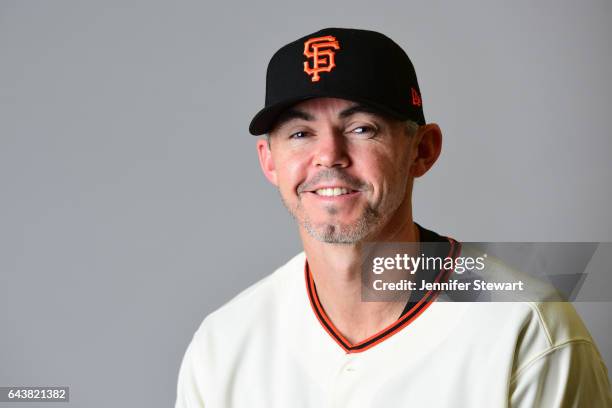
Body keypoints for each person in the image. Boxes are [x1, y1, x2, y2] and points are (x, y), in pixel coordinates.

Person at [175, 27, 611, 407]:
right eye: (300, 133)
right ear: (269, 162)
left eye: (361, 128)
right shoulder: (223, 345)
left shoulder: (526, 328)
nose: (328, 155)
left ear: (423, 150)